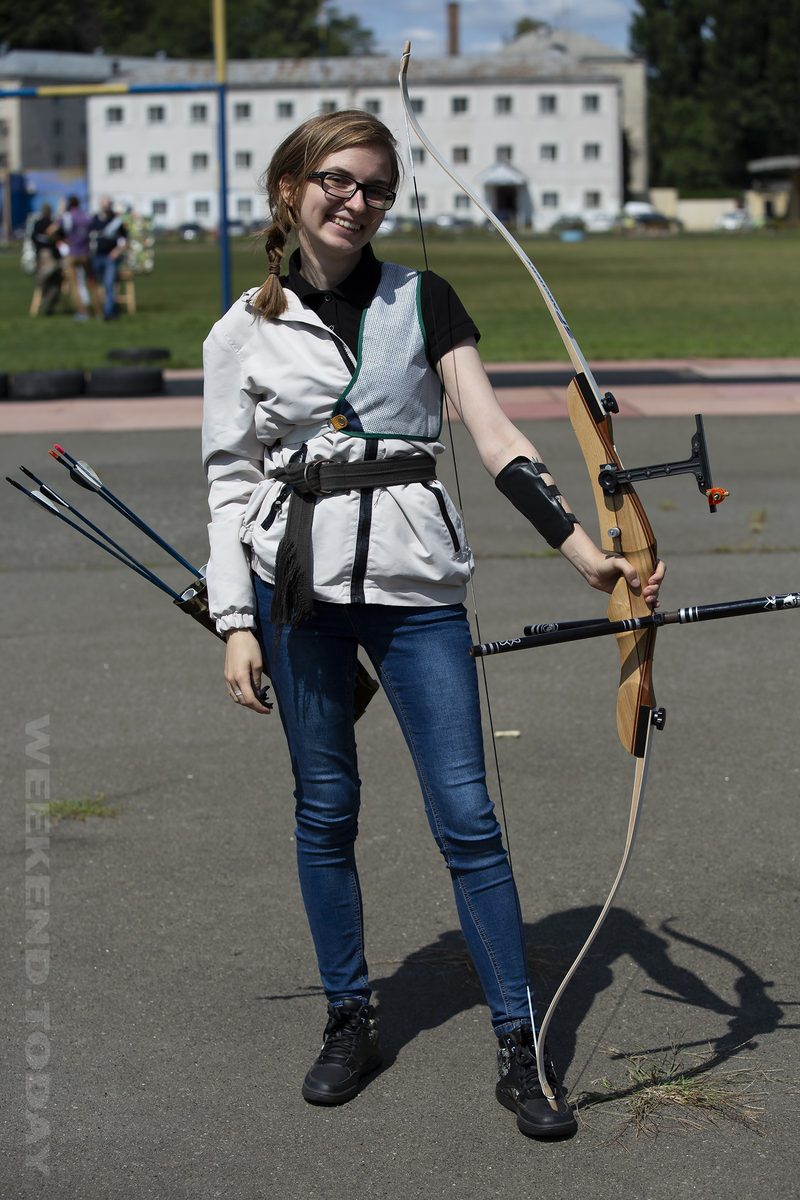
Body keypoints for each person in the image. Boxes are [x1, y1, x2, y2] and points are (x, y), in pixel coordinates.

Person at [202, 110, 664, 1140]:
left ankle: (518, 1043)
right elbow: (230, 484)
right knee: (325, 811)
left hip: (416, 590)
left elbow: (492, 433)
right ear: (290, 189)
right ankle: (349, 1018)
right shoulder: (239, 330)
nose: (356, 201)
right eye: (336, 180)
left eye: (375, 188)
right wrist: (235, 620)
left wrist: (586, 550)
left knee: (466, 817)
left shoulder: (425, 300)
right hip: (297, 595)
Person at [89, 196, 127, 320]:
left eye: (107, 203)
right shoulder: (95, 219)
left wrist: (117, 251)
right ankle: (96, 309)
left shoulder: (116, 220)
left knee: (109, 284)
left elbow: (124, 239)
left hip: (109, 257)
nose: (105, 206)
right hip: (96, 256)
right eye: (103, 203)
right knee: (94, 283)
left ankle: (109, 312)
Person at [61, 195, 94, 320]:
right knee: (91, 282)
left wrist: (62, 240)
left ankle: (82, 311)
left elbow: (52, 230)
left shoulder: (68, 216)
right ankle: (97, 309)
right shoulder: (86, 215)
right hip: (85, 252)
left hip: (73, 253)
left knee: (75, 285)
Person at [31, 203, 64, 315]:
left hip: (48, 255)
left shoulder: (44, 223)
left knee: (54, 282)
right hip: (47, 255)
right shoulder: (43, 224)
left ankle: (48, 305)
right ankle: (42, 279)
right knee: (52, 275)